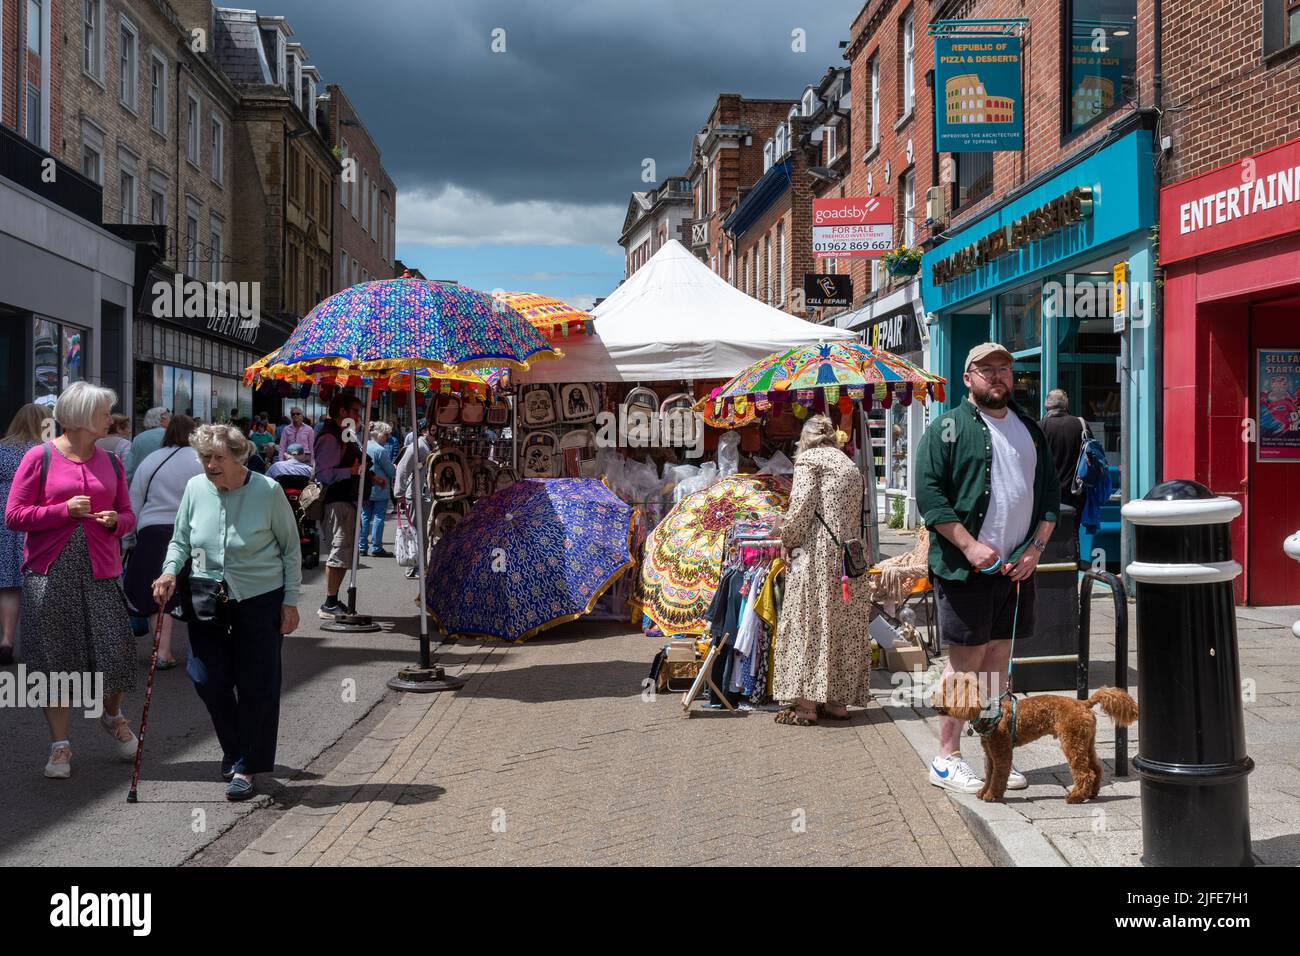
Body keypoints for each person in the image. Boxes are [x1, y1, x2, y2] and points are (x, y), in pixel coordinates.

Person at [916, 342, 1060, 795]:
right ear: (968, 377)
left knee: (998, 661)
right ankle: (946, 757)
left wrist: (1036, 548)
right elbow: (931, 499)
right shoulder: (946, 429)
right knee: (965, 664)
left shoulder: (1031, 430)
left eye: (1004, 369)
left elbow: (1050, 498)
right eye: (986, 369)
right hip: (965, 569)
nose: (997, 376)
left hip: (1017, 568)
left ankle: (995, 756)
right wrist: (971, 546)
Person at [151, 424, 301, 801]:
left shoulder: (267, 491)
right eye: (205, 457)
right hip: (204, 593)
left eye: (218, 458)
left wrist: (291, 600)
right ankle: (235, 747)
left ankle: (246, 766)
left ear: (240, 458)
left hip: (259, 597)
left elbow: (290, 549)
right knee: (206, 677)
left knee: (256, 683)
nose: (210, 465)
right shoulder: (195, 488)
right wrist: (170, 570)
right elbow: (181, 538)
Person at [5, 381, 139, 779]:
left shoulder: (112, 461)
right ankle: (60, 746)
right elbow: (14, 515)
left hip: (101, 570)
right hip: (51, 572)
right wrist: (63, 510)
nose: (110, 419)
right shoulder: (39, 457)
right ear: (81, 417)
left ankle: (111, 714)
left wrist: (118, 521)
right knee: (55, 662)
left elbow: (129, 514)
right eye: (103, 413)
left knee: (116, 654)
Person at [770, 415, 872, 726]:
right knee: (843, 625)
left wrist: (786, 537)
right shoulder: (848, 464)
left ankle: (806, 705)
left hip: (817, 555)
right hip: (849, 556)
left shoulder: (810, 462)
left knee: (810, 623)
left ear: (805, 440)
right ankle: (839, 703)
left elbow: (800, 509)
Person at [123, 414, 204, 670]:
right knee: (200, 592)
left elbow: (135, 499)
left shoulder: (152, 460)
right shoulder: (200, 460)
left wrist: (127, 539)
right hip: (195, 532)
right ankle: (201, 652)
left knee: (161, 594)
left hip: (154, 531)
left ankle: (162, 651)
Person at [0, 404, 54, 666]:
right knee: (39, 583)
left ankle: (7, 640)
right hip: (37, 518)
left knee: (9, 584)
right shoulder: (48, 452)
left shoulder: (2, 449)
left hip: (5, 520)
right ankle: (41, 644)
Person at [313, 392, 363, 617]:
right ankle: (329, 602)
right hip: (337, 502)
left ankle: (333, 600)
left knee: (345, 552)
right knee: (340, 551)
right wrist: (350, 471)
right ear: (342, 412)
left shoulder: (344, 435)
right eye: (355, 412)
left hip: (346, 501)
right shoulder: (329, 438)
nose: (358, 416)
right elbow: (324, 473)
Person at [395, 420, 436, 579]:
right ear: (425, 431)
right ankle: (413, 567)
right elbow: (402, 468)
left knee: (422, 532)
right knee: (416, 532)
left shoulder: (427, 445)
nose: (435, 433)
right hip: (416, 495)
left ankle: (419, 565)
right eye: (433, 429)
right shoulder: (418, 446)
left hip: (423, 495)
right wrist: (399, 493)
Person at [1039, 388, 1085, 515]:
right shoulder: (1080, 425)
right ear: (1066, 404)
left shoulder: (1039, 427)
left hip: (1046, 493)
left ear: (1046, 405)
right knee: (1073, 531)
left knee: (1046, 532)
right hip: (1076, 491)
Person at [361, 423, 395, 557]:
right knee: (378, 517)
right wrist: (394, 467)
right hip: (380, 488)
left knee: (365, 517)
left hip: (366, 488)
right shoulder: (380, 450)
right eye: (386, 435)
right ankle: (376, 547)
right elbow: (391, 471)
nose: (388, 438)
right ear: (379, 434)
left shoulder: (364, 446)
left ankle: (362, 546)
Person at [125, 407, 171, 482]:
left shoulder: (138, 438)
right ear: (163, 419)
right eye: (170, 418)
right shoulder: (171, 436)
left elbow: (129, 468)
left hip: (142, 483)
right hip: (166, 483)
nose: (171, 421)